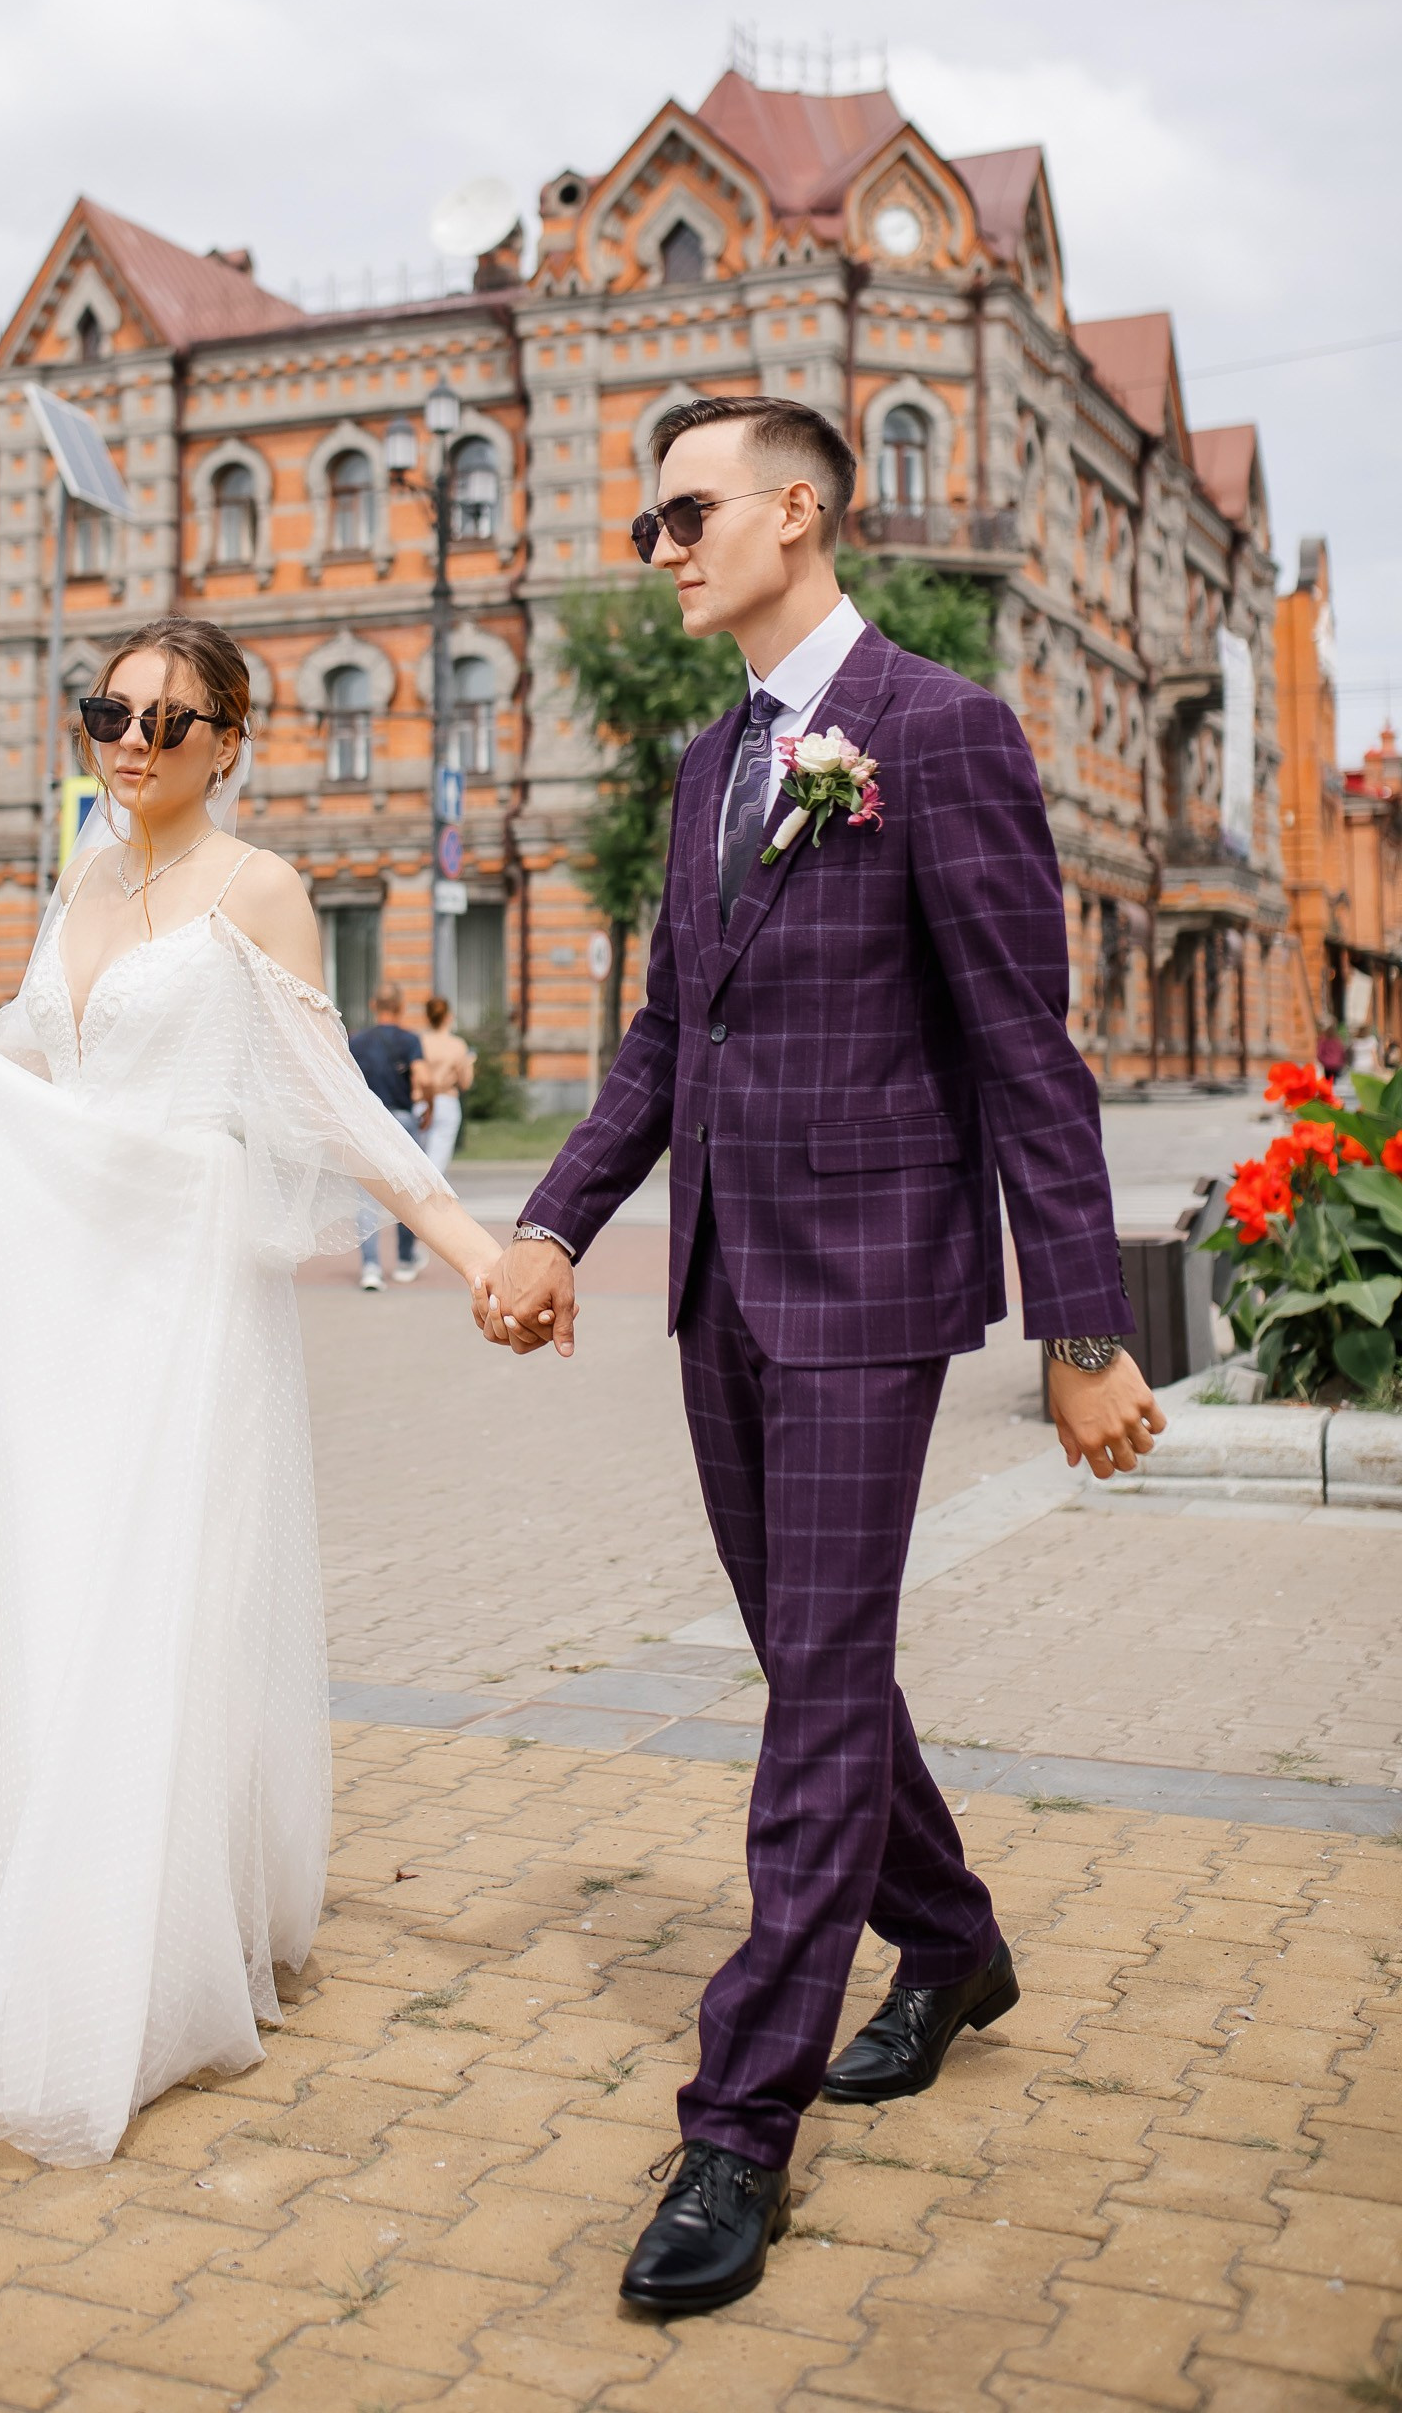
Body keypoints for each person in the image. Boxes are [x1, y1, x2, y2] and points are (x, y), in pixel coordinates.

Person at [473, 394, 1163, 2320]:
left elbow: (1032, 1053)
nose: (661, 545)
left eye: (685, 512)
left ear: (799, 511)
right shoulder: (706, 767)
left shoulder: (945, 732)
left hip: (872, 1289)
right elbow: (659, 1053)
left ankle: (740, 2126)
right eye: (645, 520)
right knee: (815, 1665)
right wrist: (552, 1225)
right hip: (720, 1290)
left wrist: (1084, 1329)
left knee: (815, 1699)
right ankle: (949, 1942)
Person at [0, 617, 503, 2168]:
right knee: (56, 1590)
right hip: (62, 1294)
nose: (132, 737)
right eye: (110, 710)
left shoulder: (260, 889)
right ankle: (53, 1882)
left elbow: (329, 1096)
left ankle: (132, 1957)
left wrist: (474, 1243)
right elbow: (32, 1052)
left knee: (154, 1600)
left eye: (170, 715)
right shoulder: (84, 871)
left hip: (179, 1305)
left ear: (232, 739)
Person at [348, 984, 428, 1286]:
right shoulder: (410, 1040)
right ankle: (405, 1260)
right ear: (401, 1006)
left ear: (373, 1004)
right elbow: (420, 1076)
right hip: (403, 1121)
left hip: (369, 1122)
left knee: (366, 1195)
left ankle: (371, 1267)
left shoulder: (358, 1042)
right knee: (408, 1193)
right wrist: (428, 1103)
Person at [414, 995, 476, 1176]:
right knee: (436, 1166)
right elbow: (465, 1083)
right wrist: (470, 1063)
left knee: (419, 1160)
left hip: (420, 1101)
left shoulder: (418, 1042)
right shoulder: (457, 1045)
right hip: (446, 1100)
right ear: (448, 1016)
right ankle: (432, 1202)